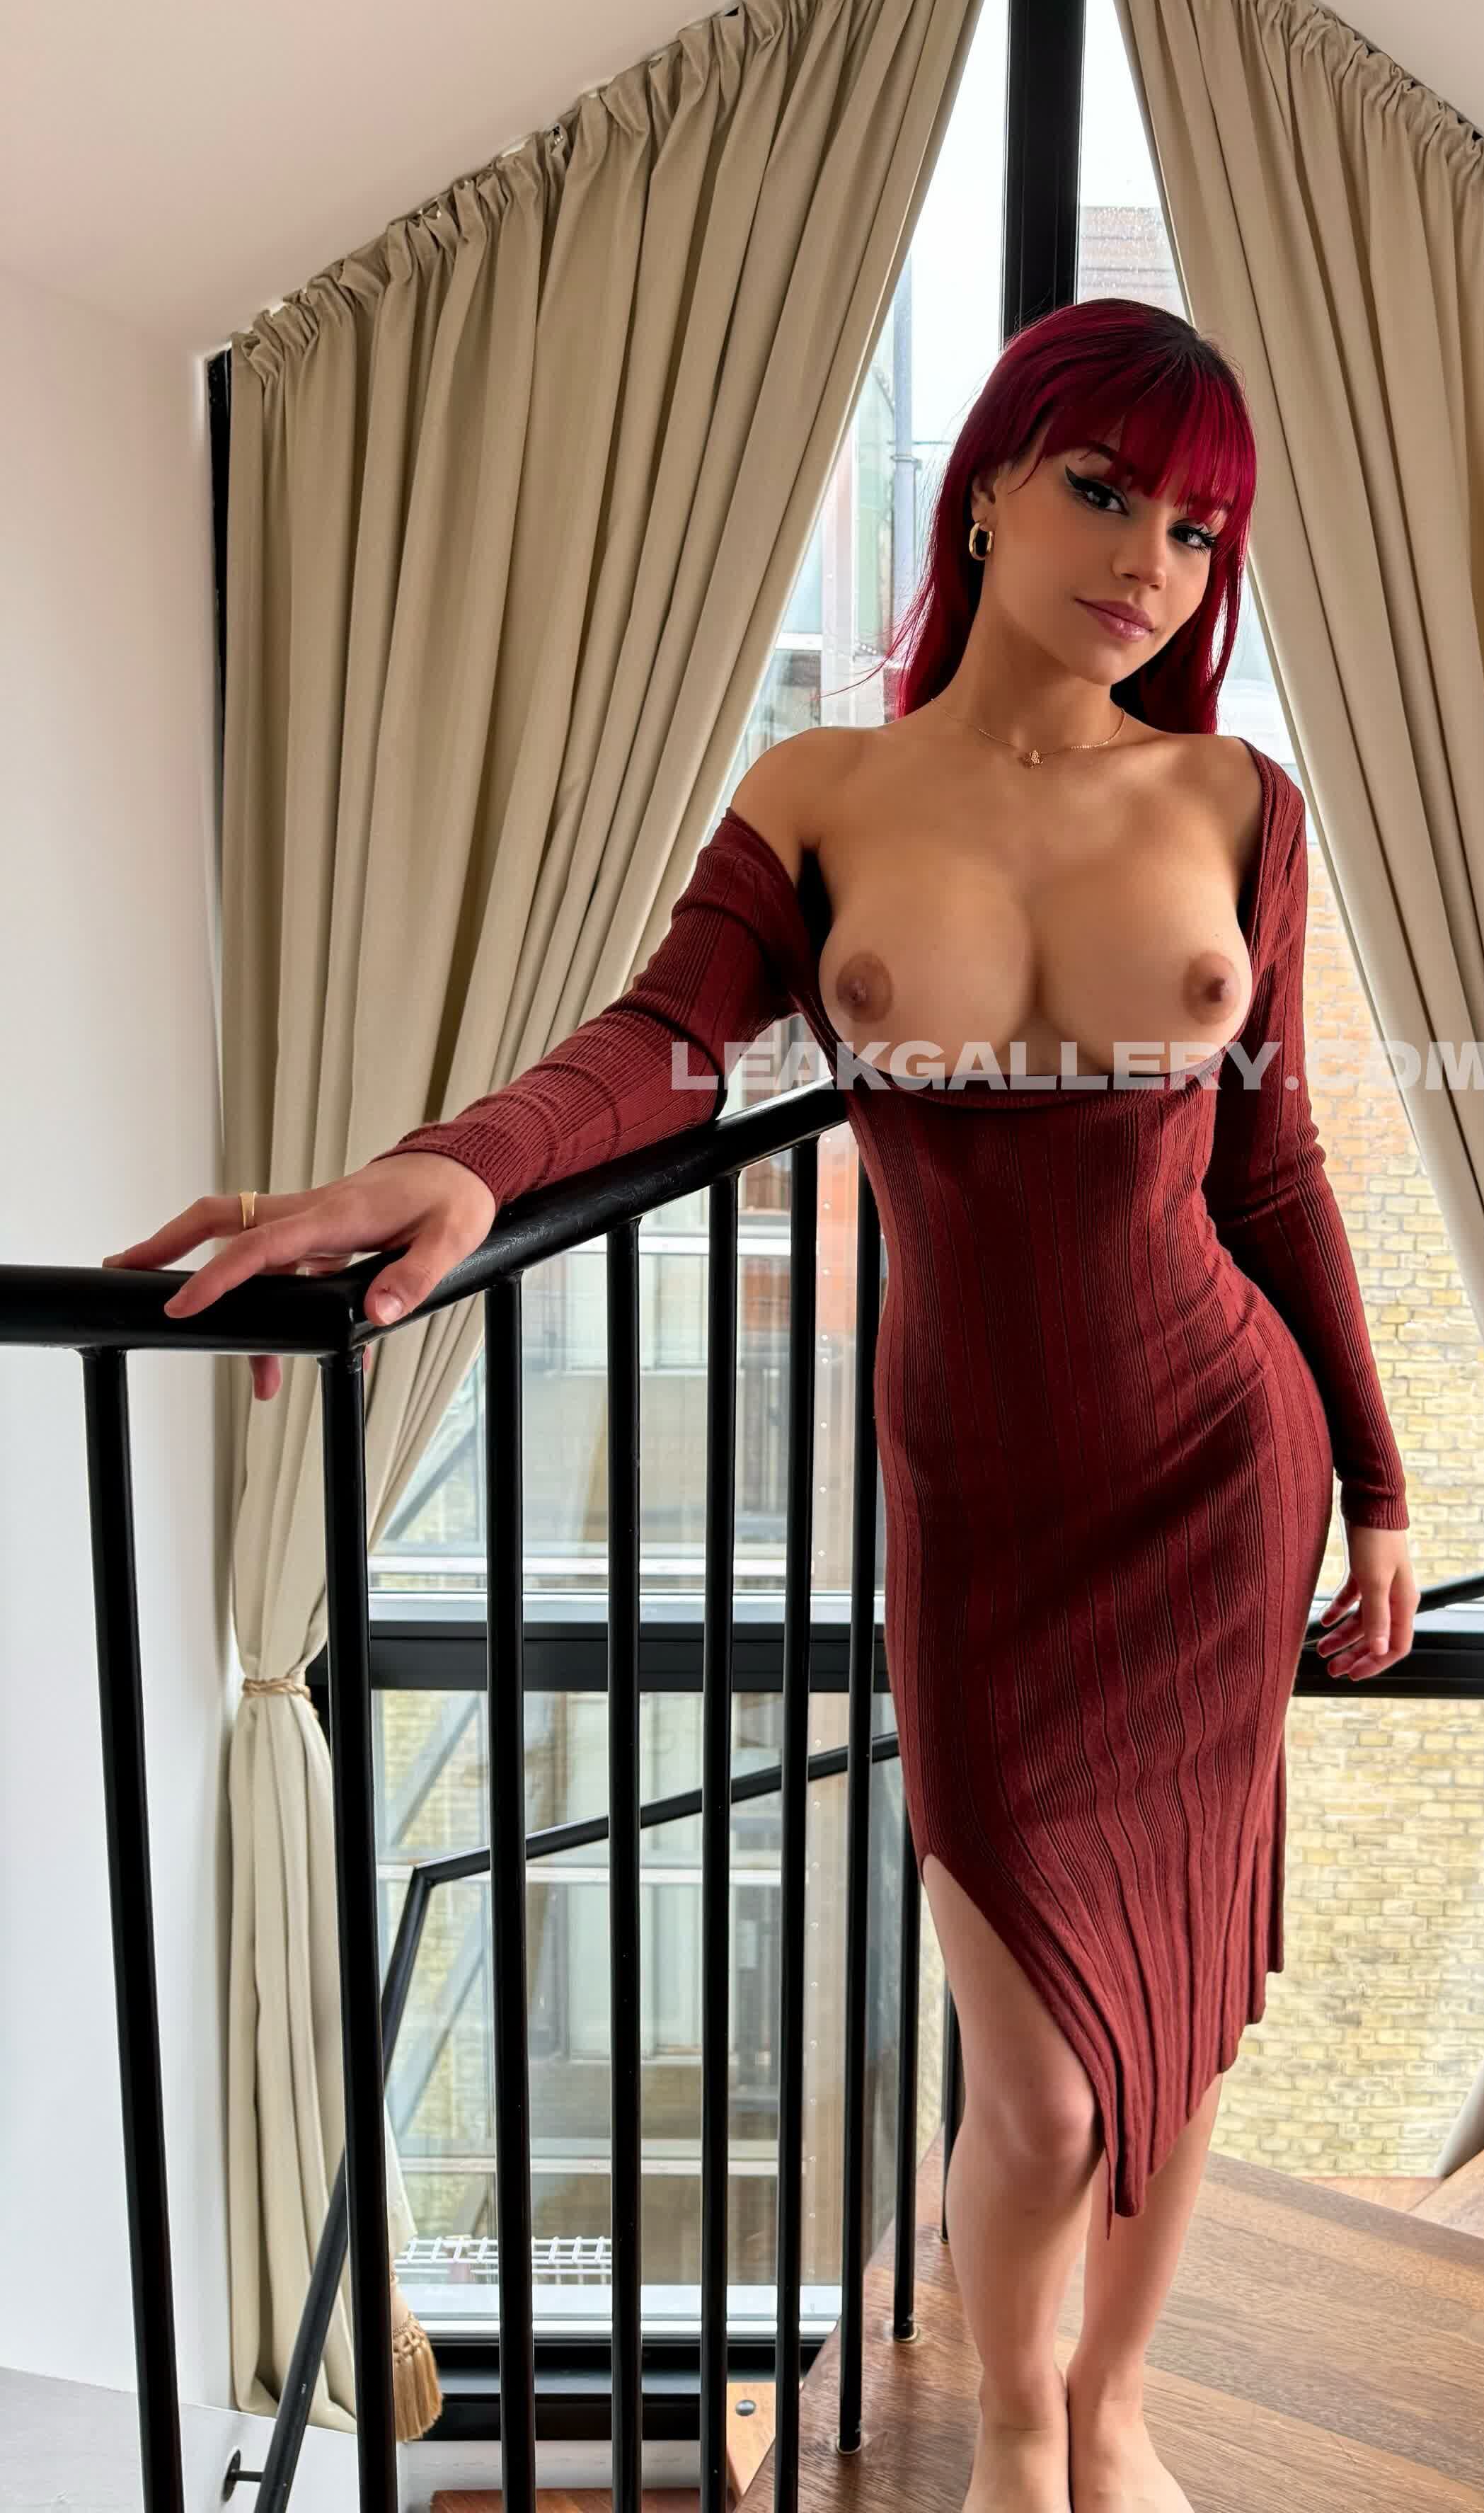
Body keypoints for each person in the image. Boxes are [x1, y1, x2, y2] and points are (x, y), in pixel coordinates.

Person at [108, 298, 1417, 2513]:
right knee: (1043, 2092)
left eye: (1199, 531)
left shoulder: (1235, 804)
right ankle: (1020, 2421)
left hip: (1219, 1467)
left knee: (1177, 2000)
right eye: (1105, 492)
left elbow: (1273, 1169)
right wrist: (455, 1167)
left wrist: (1377, 1487)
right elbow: (660, 1050)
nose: (1150, 564)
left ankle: (1115, 2408)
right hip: (985, 1516)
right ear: (986, 489)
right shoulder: (825, 795)